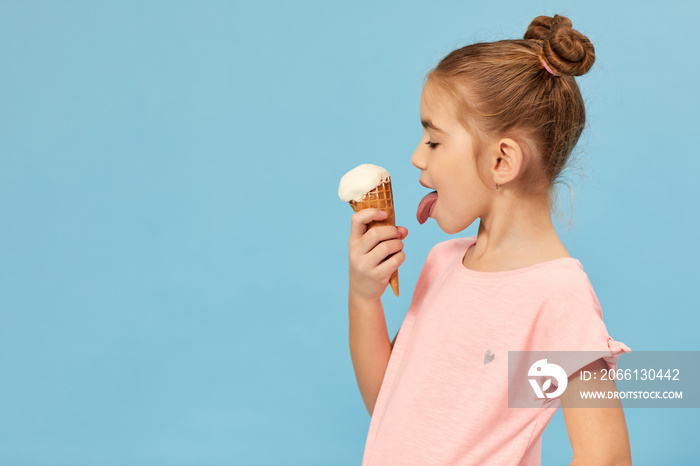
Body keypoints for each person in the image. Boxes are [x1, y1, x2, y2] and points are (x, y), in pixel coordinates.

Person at [346, 14, 633, 466]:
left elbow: (607, 456)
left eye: (434, 142)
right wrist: (364, 298)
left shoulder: (557, 298)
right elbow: (387, 404)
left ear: (502, 161)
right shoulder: (442, 264)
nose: (416, 156)